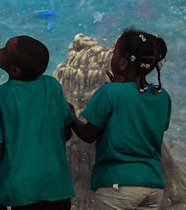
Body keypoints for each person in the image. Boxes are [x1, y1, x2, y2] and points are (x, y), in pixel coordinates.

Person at [69, 29, 171, 210]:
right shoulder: (162, 96)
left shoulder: (110, 92)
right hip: (153, 184)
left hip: (118, 185)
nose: (112, 56)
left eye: (115, 53)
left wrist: (71, 116)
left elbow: (88, 134)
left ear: (124, 62)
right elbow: (144, 126)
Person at [0, 35, 75, 210]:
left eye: (6, 49)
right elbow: (66, 133)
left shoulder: (1, 95)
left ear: (16, 70)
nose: (1, 49)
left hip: (20, 192)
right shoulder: (52, 86)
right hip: (57, 189)